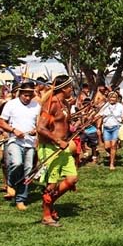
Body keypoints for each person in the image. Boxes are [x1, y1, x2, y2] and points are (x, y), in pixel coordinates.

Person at [36, 75, 78, 227]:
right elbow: (40, 128)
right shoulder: (51, 103)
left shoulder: (65, 103)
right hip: (50, 148)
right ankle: (46, 215)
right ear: (64, 88)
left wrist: (73, 127)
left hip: (63, 147)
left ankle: (49, 203)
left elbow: (64, 123)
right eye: (70, 87)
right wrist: (57, 140)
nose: (71, 90)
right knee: (51, 184)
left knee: (72, 178)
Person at [0, 82, 40, 211]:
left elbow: (39, 124)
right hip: (14, 141)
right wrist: (13, 129)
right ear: (20, 93)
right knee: (16, 163)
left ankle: (21, 199)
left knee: (27, 172)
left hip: (30, 142)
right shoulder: (11, 104)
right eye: (25, 95)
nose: (27, 98)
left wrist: (35, 130)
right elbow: (1, 122)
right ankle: (11, 183)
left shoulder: (37, 106)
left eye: (30, 95)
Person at [100, 90, 123, 170]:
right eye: (110, 97)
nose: (112, 99)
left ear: (116, 98)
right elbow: (99, 115)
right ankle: (112, 155)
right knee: (107, 146)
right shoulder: (105, 106)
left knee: (113, 146)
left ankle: (112, 163)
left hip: (116, 127)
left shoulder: (120, 106)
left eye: (114, 97)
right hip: (106, 128)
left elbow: (122, 116)